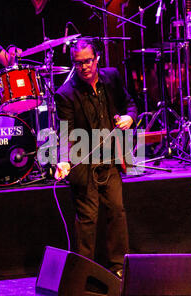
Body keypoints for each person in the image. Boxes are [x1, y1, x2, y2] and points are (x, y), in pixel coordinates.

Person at [54, 39, 138, 278]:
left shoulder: (111, 78)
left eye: (88, 61)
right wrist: (63, 160)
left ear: (97, 58)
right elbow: (65, 132)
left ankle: (119, 267)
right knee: (88, 219)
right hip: (84, 162)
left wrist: (130, 118)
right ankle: (83, 272)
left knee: (117, 210)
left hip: (110, 157)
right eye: (78, 63)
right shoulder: (65, 94)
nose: (83, 67)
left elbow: (130, 103)